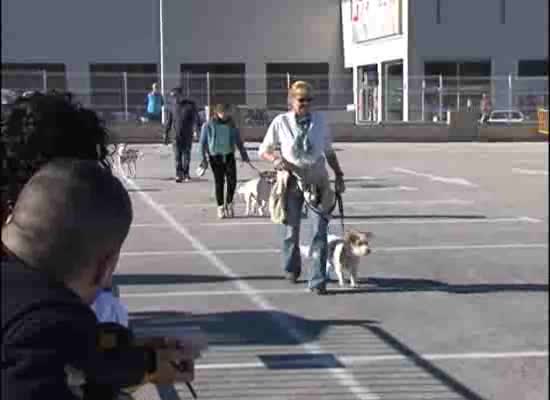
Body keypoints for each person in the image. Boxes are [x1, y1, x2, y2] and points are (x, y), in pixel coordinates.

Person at [2, 160, 196, 399]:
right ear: (105, 269)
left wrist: (143, 361)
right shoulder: (49, 320)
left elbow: (82, 357)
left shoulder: (38, 321)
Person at [258, 81, 345, 295]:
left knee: (319, 232)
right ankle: (292, 267)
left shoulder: (320, 121)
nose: (305, 104)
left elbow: (328, 151)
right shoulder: (281, 122)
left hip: (316, 179)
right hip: (291, 180)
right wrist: (276, 159)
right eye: (300, 100)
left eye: (308, 100)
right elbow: (264, 150)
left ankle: (317, 280)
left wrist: (339, 174)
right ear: (291, 101)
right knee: (291, 231)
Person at [200, 103, 250, 219]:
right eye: (223, 112)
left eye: (227, 112)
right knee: (219, 182)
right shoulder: (208, 125)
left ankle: (229, 203)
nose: (225, 115)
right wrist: (203, 159)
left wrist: (244, 155)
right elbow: (202, 143)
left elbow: (238, 140)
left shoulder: (231, 124)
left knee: (232, 181)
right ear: (217, 113)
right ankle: (220, 207)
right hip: (215, 156)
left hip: (229, 155)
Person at [164, 88, 201, 182]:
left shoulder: (190, 105)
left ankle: (186, 173)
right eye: (173, 96)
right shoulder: (171, 107)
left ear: (181, 95)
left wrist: (197, 131)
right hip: (175, 135)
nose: (174, 98)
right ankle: (178, 174)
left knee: (186, 155)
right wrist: (166, 134)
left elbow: (196, 119)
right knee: (177, 156)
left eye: (176, 96)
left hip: (187, 134)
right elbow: (169, 121)